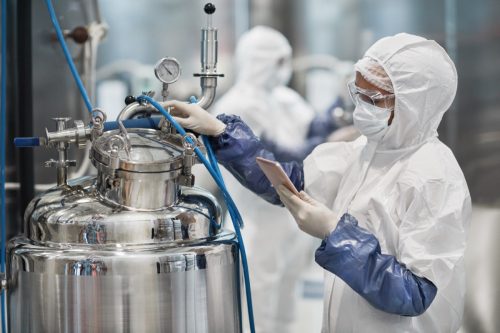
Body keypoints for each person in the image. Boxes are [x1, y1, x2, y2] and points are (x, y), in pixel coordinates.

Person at [165, 33, 471, 332]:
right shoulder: (366, 151)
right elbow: (291, 182)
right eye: (358, 94)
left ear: (414, 104)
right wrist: (221, 131)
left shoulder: (434, 178)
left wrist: (336, 234)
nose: (361, 107)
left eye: (373, 99)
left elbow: (414, 293)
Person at [212, 26, 340, 333]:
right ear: (260, 61)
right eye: (278, 61)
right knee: (257, 305)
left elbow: (312, 132)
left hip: (291, 220)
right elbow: (273, 161)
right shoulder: (237, 105)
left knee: (286, 304)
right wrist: (326, 139)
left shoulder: (284, 98)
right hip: (256, 222)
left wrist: (336, 116)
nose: (284, 69)